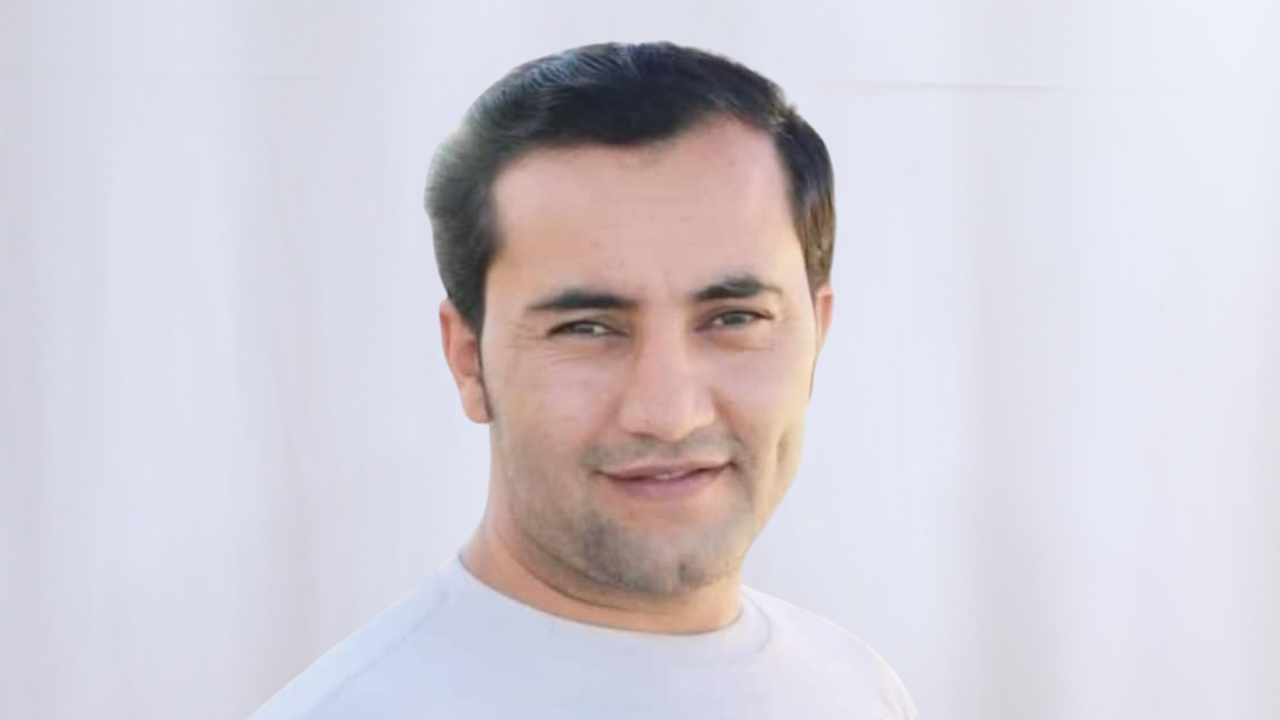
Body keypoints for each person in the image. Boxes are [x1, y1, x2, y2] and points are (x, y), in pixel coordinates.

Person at [250, 40, 918, 720]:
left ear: (816, 336)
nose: (670, 413)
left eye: (734, 318)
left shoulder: (857, 690)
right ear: (469, 360)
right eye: (586, 328)